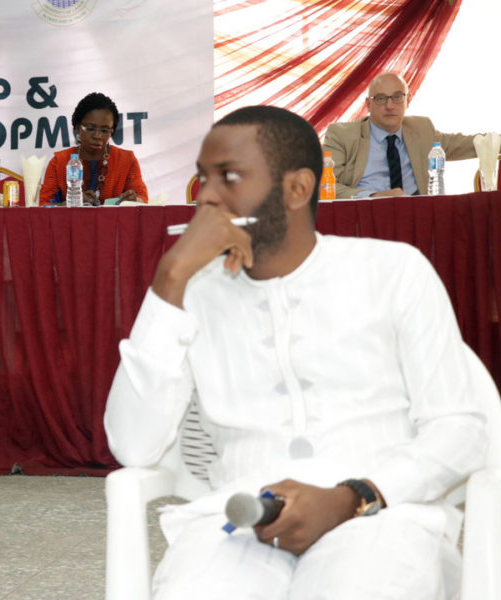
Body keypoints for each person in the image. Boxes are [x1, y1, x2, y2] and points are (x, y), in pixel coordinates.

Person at [104, 105, 486, 599]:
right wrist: (169, 280)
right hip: (237, 522)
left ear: (298, 188)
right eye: (204, 178)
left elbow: (460, 430)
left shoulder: (393, 272)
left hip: (381, 518)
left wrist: (353, 497)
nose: (206, 197)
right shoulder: (194, 295)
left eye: (229, 177)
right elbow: (132, 446)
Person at [323, 72, 477, 198]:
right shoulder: (342, 135)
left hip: (415, 213)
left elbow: (467, 144)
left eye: (397, 97)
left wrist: (490, 142)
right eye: (381, 99)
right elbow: (323, 186)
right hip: (364, 214)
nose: (390, 106)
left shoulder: (421, 128)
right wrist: (373, 196)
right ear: (368, 105)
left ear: (407, 100)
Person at [39, 92, 149, 205]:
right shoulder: (59, 161)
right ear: (78, 127)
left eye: (105, 130)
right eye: (90, 128)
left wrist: (134, 200)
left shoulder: (126, 160)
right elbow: (44, 205)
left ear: (112, 131)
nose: (97, 136)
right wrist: (70, 204)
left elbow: (142, 198)